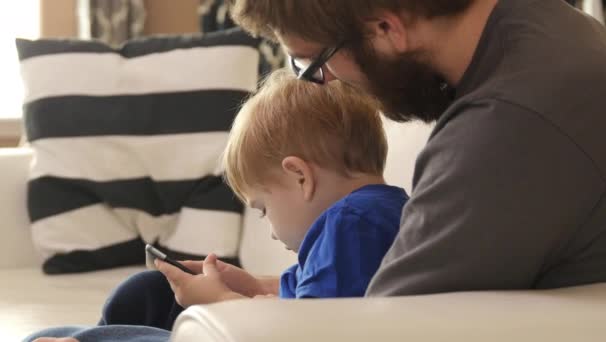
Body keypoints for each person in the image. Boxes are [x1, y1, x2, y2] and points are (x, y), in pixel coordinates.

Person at [228, 0, 606, 295]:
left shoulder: (504, 127)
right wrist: (264, 289)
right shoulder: (558, 30)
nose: (325, 84)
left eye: (316, 64)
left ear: (384, 27)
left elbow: (379, 328)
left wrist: (226, 314)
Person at [27, 70, 408, 341]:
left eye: (262, 208)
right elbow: (320, 300)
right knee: (148, 290)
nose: (272, 230)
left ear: (300, 177)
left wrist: (223, 302)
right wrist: (252, 286)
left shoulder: (352, 222)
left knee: (49, 338)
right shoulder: (372, 217)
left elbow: (304, 332)